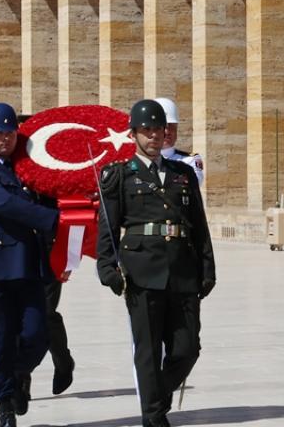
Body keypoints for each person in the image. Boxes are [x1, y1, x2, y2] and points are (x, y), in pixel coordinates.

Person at [96, 99, 216, 427]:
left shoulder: (183, 174)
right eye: (146, 130)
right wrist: (107, 268)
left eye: (158, 130)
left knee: (187, 348)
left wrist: (208, 267)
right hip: (141, 272)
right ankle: (154, 415)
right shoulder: (119, 174)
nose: (153, 136)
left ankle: (156, 399)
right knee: (148, 349)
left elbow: (199, 224)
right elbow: (107, 227)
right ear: (133, 134)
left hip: (182, 270)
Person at [0, 102, 59, 427]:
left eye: (10, 133)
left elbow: (51, 194)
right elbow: (7, 205)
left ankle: (18, 374)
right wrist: (54, 219)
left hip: (29, 264)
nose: (5, 138)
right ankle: (4, 403)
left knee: (37, 334)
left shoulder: (29, 170)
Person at [16, 112, 77, 398]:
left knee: (45, 312)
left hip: (50, 251)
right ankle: (22, 379)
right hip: (18, 252)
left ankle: (63, 361)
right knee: (20, 315)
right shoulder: (6, 171)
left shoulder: (52, 170)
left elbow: (72, 211)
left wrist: (70, 256)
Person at [155, 98, 204, 187]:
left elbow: (193, 186)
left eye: (172, 127)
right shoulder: (138, 161)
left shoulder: (189, 160)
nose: (167, 132)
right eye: (162, 127)